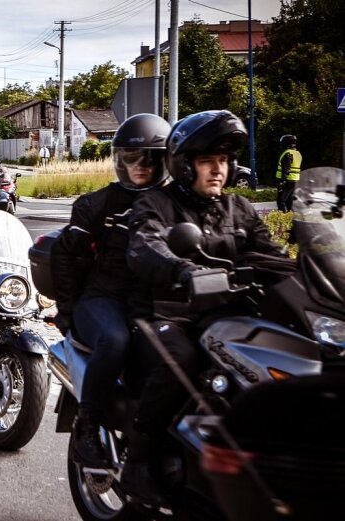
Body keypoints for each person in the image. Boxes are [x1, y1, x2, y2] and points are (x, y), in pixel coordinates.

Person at [123, 110, 294, 504]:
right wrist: (183, 271)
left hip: (225, 313)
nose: (218, 170)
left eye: (224, 161)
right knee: (180, 360)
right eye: (207, 162)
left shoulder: (240, 209)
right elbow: (145, 247)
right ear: (184, 166)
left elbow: (271, 255)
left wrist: (308, 270)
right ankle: (139, 457)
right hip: (166, 313)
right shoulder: (157, 204)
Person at [50, 113, 171, 469]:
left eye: (151, 157)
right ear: (119, 160)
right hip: (103, 298)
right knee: (115, 340)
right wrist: (67, 310)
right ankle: (88, 422)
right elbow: (63, 255)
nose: (141, 166)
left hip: (154, 301)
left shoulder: (176, 203)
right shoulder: (97, 205)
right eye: (132, 158)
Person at [275, 134, 301, 212]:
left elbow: (286, 168)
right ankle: (289, 218)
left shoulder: (287, 154)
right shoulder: (297, 153)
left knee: (281, 201)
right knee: (289, 201)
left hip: (287, 181)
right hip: (295, 180)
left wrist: (282, 182)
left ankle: (284, 219)